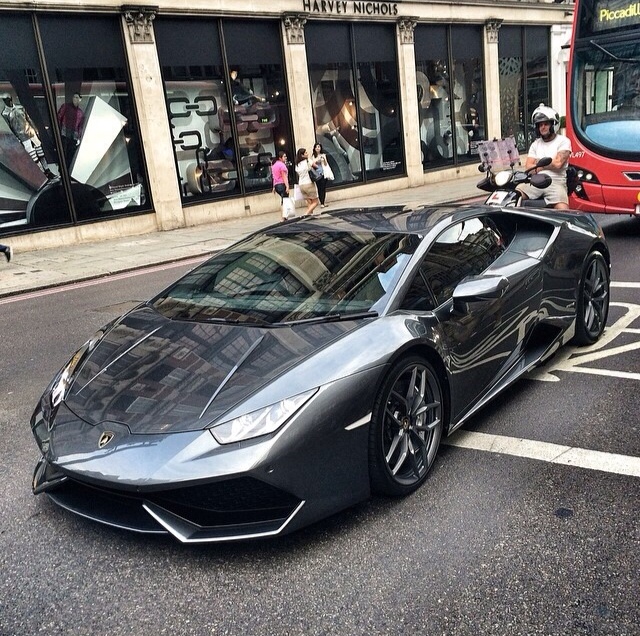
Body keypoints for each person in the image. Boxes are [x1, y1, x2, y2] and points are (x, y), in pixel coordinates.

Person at [517, 103, 571, 210]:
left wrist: (538, 164)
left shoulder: (563, 141)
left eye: (546, 124)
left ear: (553, 124)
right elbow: (528, 168)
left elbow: (558, 164)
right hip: (535, 182)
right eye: (540, 125)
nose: (543, 127)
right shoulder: (535, 144)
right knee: (513, 196)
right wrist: (545, 164)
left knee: (564, 212)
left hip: (556, 182)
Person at [1, 94, 55, 179]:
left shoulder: (20, 107)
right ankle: (43, 174)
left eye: (8, 99)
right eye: (5, 100)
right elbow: (10, 128)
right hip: (22, 137)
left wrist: (36, 130)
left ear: (11, 98)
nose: (7, 101)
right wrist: (17, 140)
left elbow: (28, 119)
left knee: (40, 152)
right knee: (34, 157)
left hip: (31, 132)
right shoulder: (5, 113)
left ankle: (48, 171)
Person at [57, 92, 85, 167]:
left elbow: (80, 126)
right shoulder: (65, 106)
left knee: (70, 155)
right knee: (63, 153)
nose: (75, 99)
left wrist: (79, 137)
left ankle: (68, 171)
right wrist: (58, 131)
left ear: (80, 99)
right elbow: (59, 118)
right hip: (64, 133)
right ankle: (62, 170)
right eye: (74, 97)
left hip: (73, 136)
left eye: (77, 97)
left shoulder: (80, 113)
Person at [295, 148, 320, 216]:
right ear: (302, 155)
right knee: (315, 201)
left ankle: (310, 215)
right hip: (309, 183)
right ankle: (306, 213)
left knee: (309, 201)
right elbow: (316, 166)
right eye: (305, 153)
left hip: (301, 185)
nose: (307, 154)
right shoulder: (307, 161)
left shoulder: (297, 164)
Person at [271, 150, 290, 221]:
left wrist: (273, 187)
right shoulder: (282, 165)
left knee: (283, 200)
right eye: (284, 156)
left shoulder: (274, 165)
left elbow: (273, 177)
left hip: (276, 185)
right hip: (282, 184)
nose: (286, 158)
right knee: (284, 201)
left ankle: (285, 216)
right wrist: (287, 186)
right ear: (280, 158)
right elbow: (284, 176)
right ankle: (283, 217)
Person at [311, 142, 330, 208]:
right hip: (317, 174)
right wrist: (317, 159)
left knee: (323, 188)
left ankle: (323, 202)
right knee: (319, 188)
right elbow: (312, 164)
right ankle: (321, 202)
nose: (317, 148)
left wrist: (324, 159)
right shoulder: (313, 156)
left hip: (323, 173)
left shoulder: (323, 155)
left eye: (319, 147)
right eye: (316, 147)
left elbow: (326, 164)